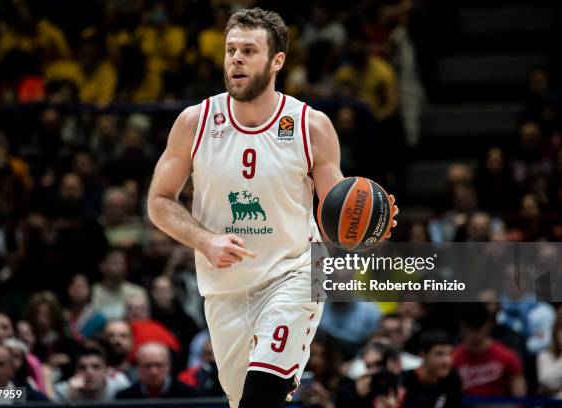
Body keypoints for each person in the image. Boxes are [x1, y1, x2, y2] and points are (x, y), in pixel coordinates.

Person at [146, 8, 398, 407]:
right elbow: (159, 202)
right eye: (231, 50)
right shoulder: (195, 122)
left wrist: (366, 231)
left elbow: (338, 213)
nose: (236, 59)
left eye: (248, 50)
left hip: (294, 273)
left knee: (262, 396)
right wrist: (205, 240)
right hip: (224, 289)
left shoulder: (310, 126)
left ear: (277, 60)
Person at [453, 303, 527, 397]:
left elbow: (520, 399)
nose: (475, 334)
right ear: (463, 327)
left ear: (488, 325)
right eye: (471, 328)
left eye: (479, 327)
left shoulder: (507, 357)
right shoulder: (453, 358)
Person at [402, 330, 462, 408]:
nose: (447, 361)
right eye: (439, 354)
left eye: (450, 354)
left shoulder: (453, 377)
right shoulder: (405, 381)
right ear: (423, 355)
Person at [115, 342, 196, 399]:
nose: (153, 371)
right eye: (147, 366)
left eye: (159, 365)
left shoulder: (189, 395)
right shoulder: (124, 398)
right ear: (138, 368)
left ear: (169, 366)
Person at [54, 346, 130, 402]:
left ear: (105, 370)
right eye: (82, 367)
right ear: (76, 371)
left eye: (96, 367)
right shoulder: (62, 391)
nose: (89, 372)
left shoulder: (119, 387)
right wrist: (71, 396)